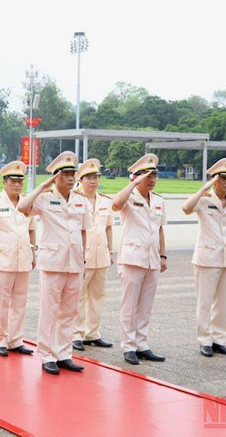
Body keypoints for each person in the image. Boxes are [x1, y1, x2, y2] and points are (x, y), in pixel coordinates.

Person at [18, 151, 89, 375]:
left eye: (72, 174)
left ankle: (64, 353)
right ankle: (47, 354)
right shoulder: (45, 198)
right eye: (66, 174)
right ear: (56, 176)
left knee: (69, 311)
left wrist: (83, 258)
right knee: (49, 311)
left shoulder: (80, 200)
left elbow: (83, 231)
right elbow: (22, 208)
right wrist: (42, 186)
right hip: (53, 262)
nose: (70, 178)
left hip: (74, 262)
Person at [182, 158, 226, 358]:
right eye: (223, 178)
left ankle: (219, 339)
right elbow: (186, 208)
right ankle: (204, 340)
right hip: (206, 257)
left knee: (222, 302)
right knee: (205, 301)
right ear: (214, 180)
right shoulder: (204, 200)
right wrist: (203, 188)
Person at [112, 153, 168, 366]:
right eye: (148, 176)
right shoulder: (129, 197)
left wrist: (163, 255)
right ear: (136, 177)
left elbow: (160, 229)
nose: (152, 180)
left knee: (145, 305)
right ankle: (128, 346)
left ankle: (142, 344)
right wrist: (134, 183)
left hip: (152, 259)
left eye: (154, 175)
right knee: (129, 305)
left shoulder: (159, 200)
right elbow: (116, 204)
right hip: (132, 258)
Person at [0, 160, 35, 357]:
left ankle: (16, 339)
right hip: (2, 260)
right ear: (5, 182)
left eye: (20, 181)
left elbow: (31, 229)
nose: (17, 185)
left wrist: (34, 251)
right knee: (1, 302)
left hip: (23, 258)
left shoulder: (27, 203)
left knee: (20, 301)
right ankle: (0, 339)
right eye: (13, 181)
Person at [71, 159, 115, 351]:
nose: (93, 181)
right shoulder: (74, 199)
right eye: (89, 177)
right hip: (83, 255)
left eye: (96, 177)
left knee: (98, 296)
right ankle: (76, 334)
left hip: (101, 255)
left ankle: (92, 333)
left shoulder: (105, 200)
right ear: (80, 179)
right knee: (78, 296)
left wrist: (110, 251)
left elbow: (109, 228)